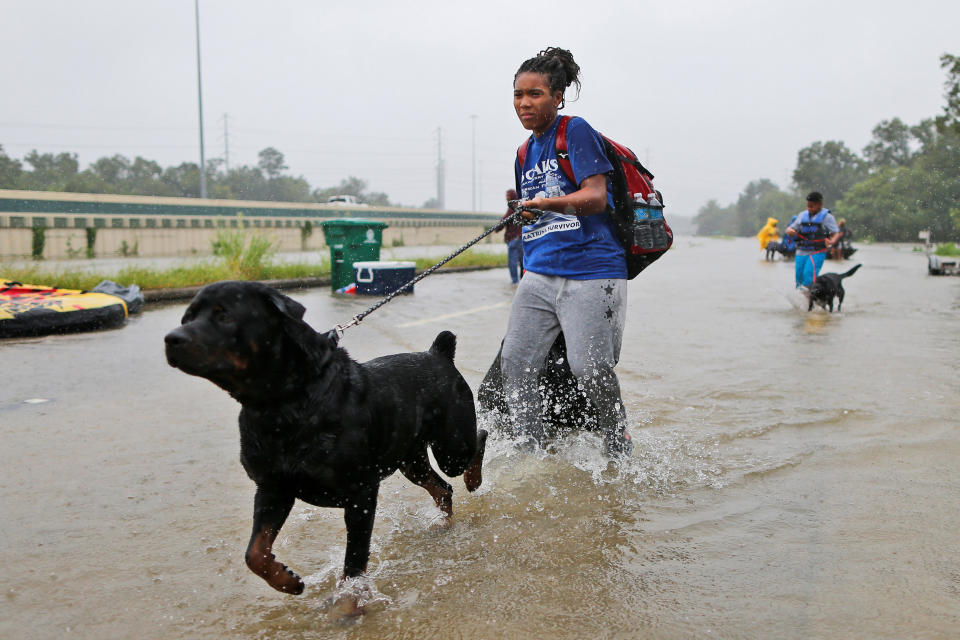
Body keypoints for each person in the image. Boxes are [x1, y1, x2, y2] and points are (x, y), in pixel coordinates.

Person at [501, 46, 632, 458]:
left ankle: (618, 446)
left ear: (557, 96)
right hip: (538, 275)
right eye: (518, 94)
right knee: (516, 367)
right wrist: (527, 216)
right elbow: (538, 216)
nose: (525, 103)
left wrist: (543, 204)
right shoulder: (524, 152)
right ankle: (533, 456)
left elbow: (594, 197)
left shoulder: (574, 131)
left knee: (589, 371)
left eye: (535, 94)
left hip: (592, 272)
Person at [785, 192, 842, 291]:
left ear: (820, 204)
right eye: (808, 206)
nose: (809, 208)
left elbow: (836, 233)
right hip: (801, 250)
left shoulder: (827, 217)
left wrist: (832, 242)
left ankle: (808, 302)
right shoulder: (802, 215)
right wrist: (790, 231)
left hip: (817, 251)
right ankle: (800, 303)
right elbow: (790, 228)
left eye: (812, 206)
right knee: (799, 278)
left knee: (808, 277)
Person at [497, 188, 524, 284]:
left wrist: (497, 228)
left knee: (512, 262)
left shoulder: (512, 207)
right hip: (521, 239)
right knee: (522, 262)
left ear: (512, 196)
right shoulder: (520, 206)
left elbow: (504, 220)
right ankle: (522, 282)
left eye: (508, 196)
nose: (506, 198)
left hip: (514, 239)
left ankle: (515, 282)